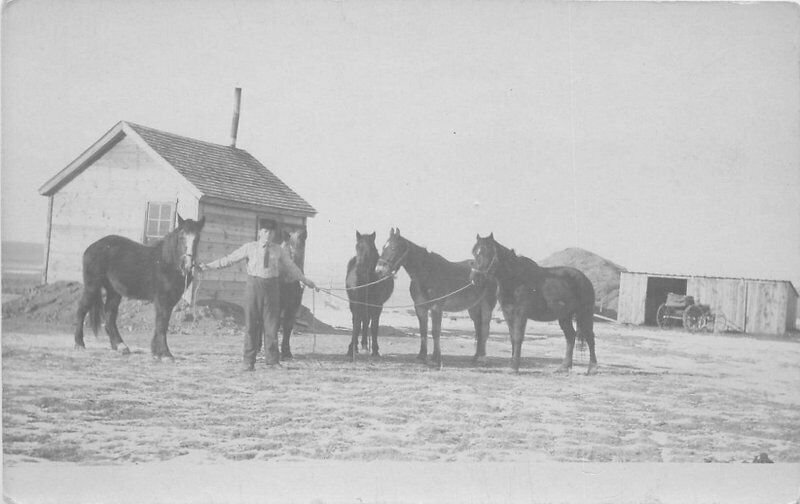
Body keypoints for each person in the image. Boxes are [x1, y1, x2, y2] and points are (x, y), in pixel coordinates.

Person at [199, 220, 317, 371]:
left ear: (274, 234)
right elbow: (229, 260)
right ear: (259, 232)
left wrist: (306, 280)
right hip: (254, 288)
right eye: (265, 232)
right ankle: (248, 361)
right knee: (251, 326)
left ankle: (273, 361)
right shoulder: (250, 248)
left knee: (271, 326)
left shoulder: (278, 250)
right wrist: (208, 266)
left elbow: (291, 267)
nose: (268, 235)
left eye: (271, 232)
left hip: (272, 289)